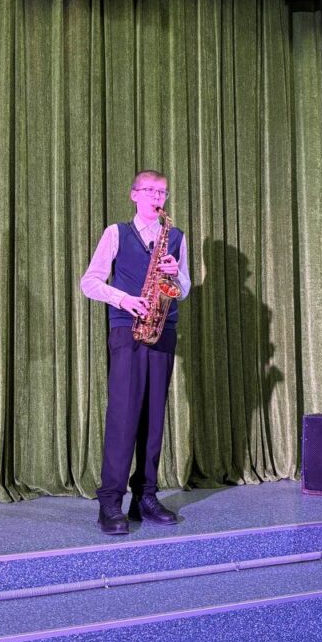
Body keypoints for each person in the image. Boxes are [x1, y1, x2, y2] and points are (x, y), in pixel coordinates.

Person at [80, 170, 191, 535]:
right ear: (134, 195)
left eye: (162, 192)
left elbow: (184, 288)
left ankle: (145, 496)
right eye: (150, 191)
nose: (157, 197)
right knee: (124, 416)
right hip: (127, 329)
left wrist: (175, 275)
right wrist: (124, 300)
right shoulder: (116, 233)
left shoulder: (175, 237)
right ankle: (110, 501)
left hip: (162, 329)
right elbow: (89, 282)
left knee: (154, 419)